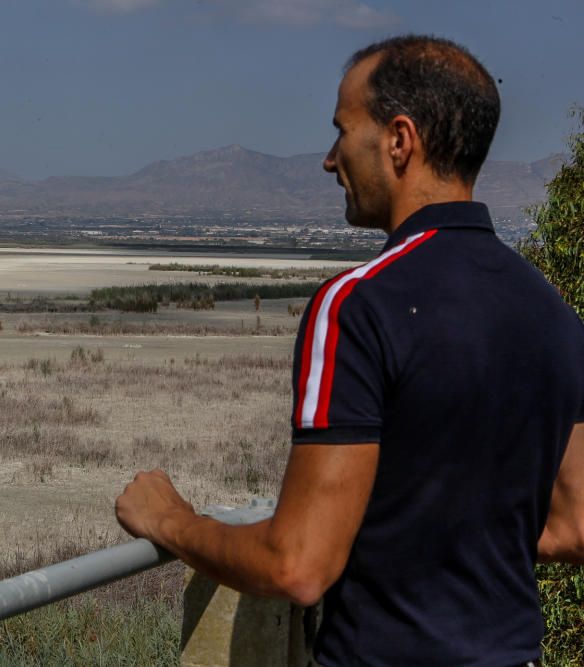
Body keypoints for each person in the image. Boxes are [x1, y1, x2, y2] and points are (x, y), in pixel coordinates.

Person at [115, 35, 584, 666]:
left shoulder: (358, 304)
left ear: (399, 140)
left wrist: (169, 521)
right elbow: (572, 525)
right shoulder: (549, 307)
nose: (330, 159)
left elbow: (298, 567)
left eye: (342, 130)